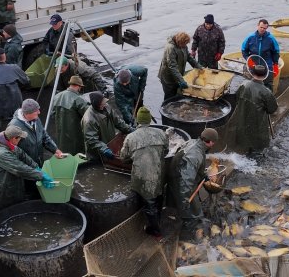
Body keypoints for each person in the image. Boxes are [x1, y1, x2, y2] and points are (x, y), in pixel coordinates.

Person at [0, 125, 55, 216]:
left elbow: (22, 155)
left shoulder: (7, 143)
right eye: (19, 138)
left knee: (14, 208)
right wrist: (41, 175)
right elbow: (20, 169)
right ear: (13, 138)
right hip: (0, 186)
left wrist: (36, 167)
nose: (21, 140)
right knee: (1, 212)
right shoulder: (0, 153)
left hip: (9, 181)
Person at [120, 106, 169, 238]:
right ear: (149, 120)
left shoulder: (131, 137)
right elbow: (166, 151)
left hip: (143, 177)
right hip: (159, 173)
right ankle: (159, 217)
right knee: (158, 196)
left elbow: (123, 158)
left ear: (138, 121)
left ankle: (155, 230)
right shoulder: (161, 133)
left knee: (149, 204)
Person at [166, 128, 218, 237]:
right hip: (181, 184)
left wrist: (203, 175)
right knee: (194, 214)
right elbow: (186, 180)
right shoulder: (195, 155)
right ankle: (187, 238)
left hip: (175, 177)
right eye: (214, 142)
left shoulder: (194, 142)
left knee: (179, 209)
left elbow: (191, 168)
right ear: (211, 142)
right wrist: (185, 200)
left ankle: (177, 217)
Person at [234, 64, 278, 153]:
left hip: (242, 120)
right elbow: (272, 109)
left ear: (252, 73)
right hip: (257, 125)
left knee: (244, 139)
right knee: (257, 150)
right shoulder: (266, 92)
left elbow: (236, 98)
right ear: (265, 76)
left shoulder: (243, 85)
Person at [81, 91, 135, 162]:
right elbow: (92, 140)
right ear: (96, 104)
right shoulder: (89, 120)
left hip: (109, 144)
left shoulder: (107, 107)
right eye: (102, 103)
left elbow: (118, 122)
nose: (105, 104)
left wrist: (131, 130)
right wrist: (104, 149)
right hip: (97, 153)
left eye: (104, 101)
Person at [0, 47, 30, 130]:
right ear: (4, 56)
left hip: (1, 110)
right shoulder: (14, 68)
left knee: (5, 133)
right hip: (16, 107)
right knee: (21, 129)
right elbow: (26, 81)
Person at [9, 98, 63, 167]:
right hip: (27, 168)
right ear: (28, 113)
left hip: (39, 163)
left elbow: (44, 136)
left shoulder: (35, 119)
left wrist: (55, 150)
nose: (39, 112)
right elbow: (11, 150)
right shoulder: (14, 126)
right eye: (36, 111)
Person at [158, 32, 203, 100]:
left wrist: (199, 67)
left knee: (177, 95)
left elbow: (189, 57)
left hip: (177, 76)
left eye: (186, 44)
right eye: (184, 44)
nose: (185, 45)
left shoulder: (183, 46)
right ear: (179, 42)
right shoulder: (170, 48)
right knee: (169, 96)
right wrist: (181, 80)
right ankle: (165, 108)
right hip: (168, 78)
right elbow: (172, 66)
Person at [52, 75, 89, 155]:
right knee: (76, 151)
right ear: (78, 86)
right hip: (75, 132)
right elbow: (88, 116)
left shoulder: (57, 96)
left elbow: (52, 114)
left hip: (60, 131)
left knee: (63, 149)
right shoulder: (78, 99)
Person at [241, 19, 280, 92]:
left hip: (267, 64)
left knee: (268, 84)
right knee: (251, 83)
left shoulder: (271, 38)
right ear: (258, 25)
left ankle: (269, 97)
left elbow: (276, 52)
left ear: (267, 28)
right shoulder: (250, 37)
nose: (262, 29)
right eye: (261, 27)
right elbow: (244, 50)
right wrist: (249, 60)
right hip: (253, 64)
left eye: (264, 28)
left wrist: (275, 64)